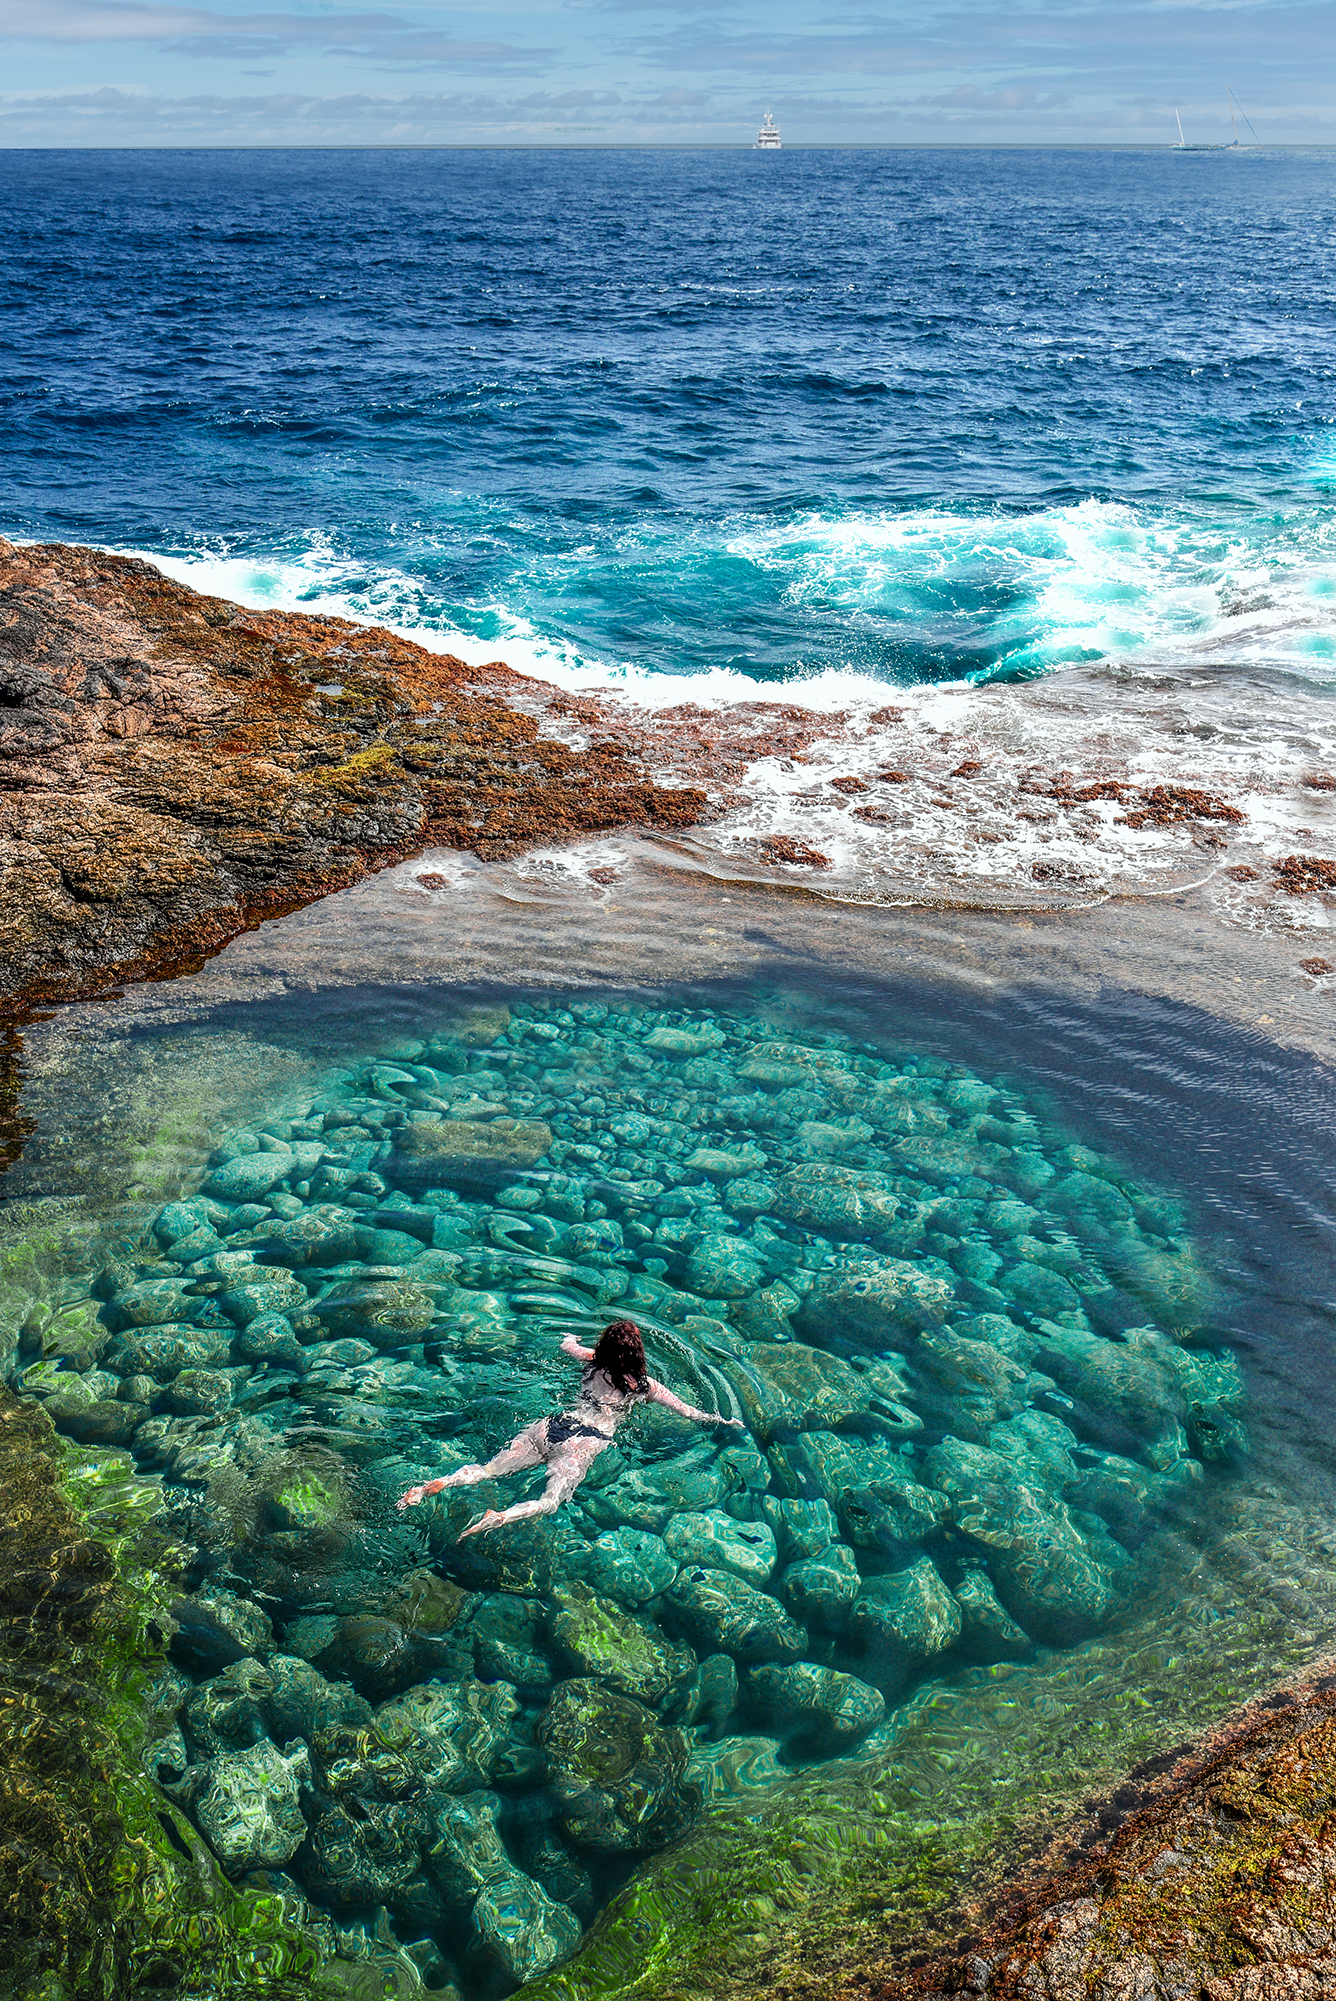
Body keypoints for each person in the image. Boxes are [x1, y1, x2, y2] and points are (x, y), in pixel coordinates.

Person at [397, 1317, 744, 1539]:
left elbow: (566, 1345)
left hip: (554, 1425)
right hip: (585, 1442)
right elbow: (689, 1412)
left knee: (486, 1471)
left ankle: (432, 1486)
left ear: (605, 1348)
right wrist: (723, 1420)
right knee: (548, 1502)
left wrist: (570, 1335)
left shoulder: (592, 1360)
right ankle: (500, 1517)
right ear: (638, 1355)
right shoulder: (646, 1387)